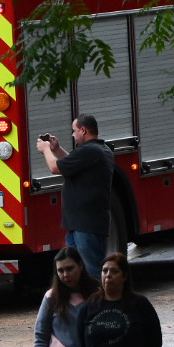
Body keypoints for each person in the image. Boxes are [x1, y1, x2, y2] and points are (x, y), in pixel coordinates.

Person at [37, 114, 116, 279]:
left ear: (83, 130)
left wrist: (45, 150)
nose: (73, 135)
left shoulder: (90, 150)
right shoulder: (99, 149)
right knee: (76, 273)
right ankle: (84, 303)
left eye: (74, 131)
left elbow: (55, 167)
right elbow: (71, 164)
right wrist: (56, 149)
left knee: (92, 271)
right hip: (79, 224)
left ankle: (99, 302)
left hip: (86, 225)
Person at [76, 253, 162, 347]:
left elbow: (154, 341)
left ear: (125, 276)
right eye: (105, 271)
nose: (108, 275)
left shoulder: (140, 305)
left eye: (114, 271)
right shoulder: (89, 306)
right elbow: (82, 342)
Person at [35, 246, 100, 347]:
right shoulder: (51, 298)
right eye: (60, 271)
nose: (65, 275)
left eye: (70, 268)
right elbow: (41, 335)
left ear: (81, 266)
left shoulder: (97, 295)